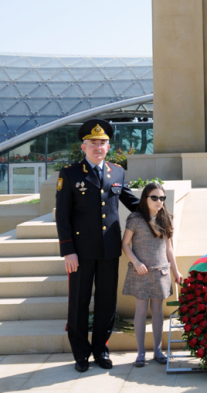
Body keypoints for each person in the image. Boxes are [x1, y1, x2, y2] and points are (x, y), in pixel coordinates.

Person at [55, 119, 139, 373]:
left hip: (109, 249)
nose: (98, 147)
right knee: (79, 302)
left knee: (106, 302)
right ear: (83, 146)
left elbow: (132, 202)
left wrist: (158, 213)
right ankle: (81, 353)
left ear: (108, 146)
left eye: (102, 143)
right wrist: (68, 249)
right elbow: (62, 216)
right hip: (79, 252)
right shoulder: (69, 174)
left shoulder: (117, 172)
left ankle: (100, 349)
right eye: (93, 143)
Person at [122, 182, 183, 366]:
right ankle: (141, 353)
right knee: (140, 311)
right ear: (145, 198)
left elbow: (169, 249)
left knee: (157, 311)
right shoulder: (135, 219)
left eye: (162, 198)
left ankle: (158, 351)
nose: (159, 201)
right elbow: (124, 244)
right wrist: (136, 262)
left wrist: (176, 271)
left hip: (160, 272)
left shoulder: (167, 219)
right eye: (154, 197)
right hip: (141, 272)